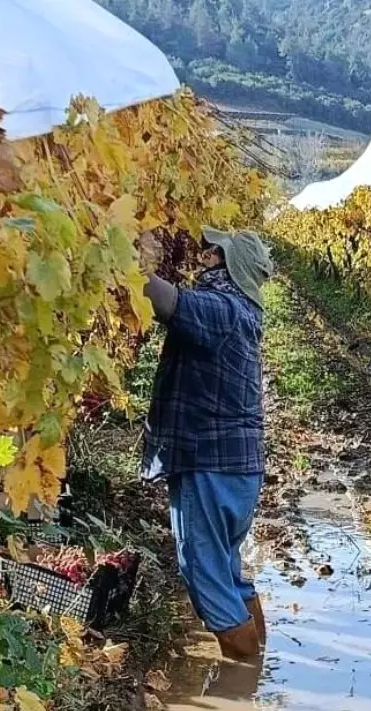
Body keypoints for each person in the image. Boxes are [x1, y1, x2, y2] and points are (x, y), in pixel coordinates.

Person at [141, 228, 274, 659]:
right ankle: (261, 657)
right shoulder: (244, 311)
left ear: (228, 264)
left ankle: (244, 682)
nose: (206, 256)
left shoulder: (223, 309)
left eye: (215, 252)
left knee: (206, 574)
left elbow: (164, 300)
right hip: (238, 467)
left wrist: (119, 255)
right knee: (227, 569)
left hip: (209, 462)